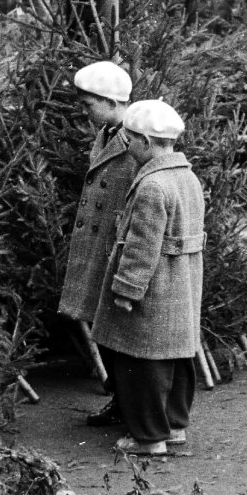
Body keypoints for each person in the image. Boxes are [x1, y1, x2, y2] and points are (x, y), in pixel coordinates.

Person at [90, 98, 205, 457]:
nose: (129, 149)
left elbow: (141, 246)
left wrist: (126, 290)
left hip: (154, 285)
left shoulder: (152, 186)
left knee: (141, 360)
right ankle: (173, 427)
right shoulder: (187, 177)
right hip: (182, 281)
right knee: (176, 354)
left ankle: (148, 437)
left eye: (130, 142)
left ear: (144, 141)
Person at [58, 60, 138, 429]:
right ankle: (122, 400)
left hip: (116, 246)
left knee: (120, 331)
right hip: (97, 241)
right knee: (103, 327)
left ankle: (129, 403)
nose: (84, 111)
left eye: (89, 104)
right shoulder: (107, 132)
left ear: (109, 101)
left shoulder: (136, 137)